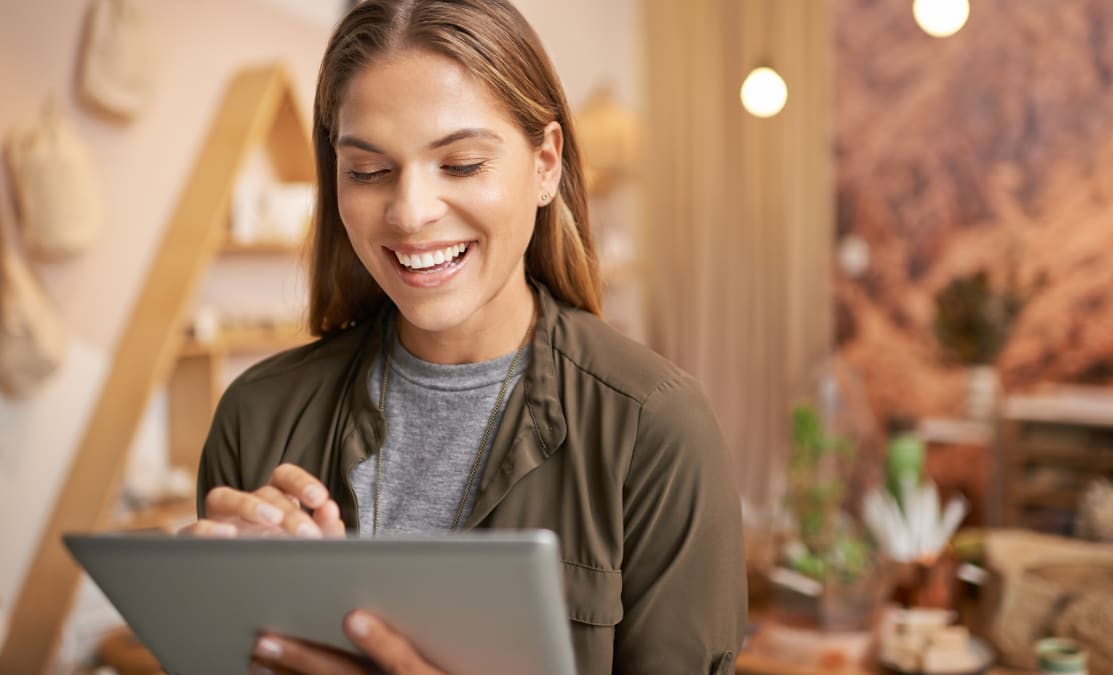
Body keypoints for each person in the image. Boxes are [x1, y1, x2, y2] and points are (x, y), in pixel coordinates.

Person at [185, 0, 746, 673]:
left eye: (461, 164)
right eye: (368, 170)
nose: (411, 213)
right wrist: (209, 625)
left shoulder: (655, 428)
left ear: (545, 163)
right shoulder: (256, 416)